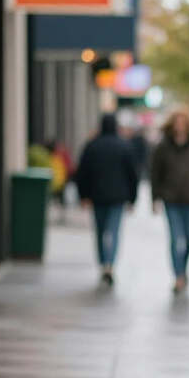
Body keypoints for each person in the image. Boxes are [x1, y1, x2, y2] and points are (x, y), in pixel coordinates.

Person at [150, 104, 189, 293]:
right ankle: (178, 275)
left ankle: (184, 269)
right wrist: (155, 198)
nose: (179, 126)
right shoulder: (163, 146)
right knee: (175, 237)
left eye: (183, 122)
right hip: (171, 199)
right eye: (176, 122)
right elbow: (155, 173)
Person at [75, 113, 140, 287]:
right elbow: (133, 175)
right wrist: (133, 198)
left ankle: (103, 263)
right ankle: (110, 264)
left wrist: (83, 195)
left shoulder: (92, 146)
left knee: (100, 231)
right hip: (118, 198)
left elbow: (82, 173)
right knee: (114, 231)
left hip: (97, 196)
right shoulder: (124, 146)